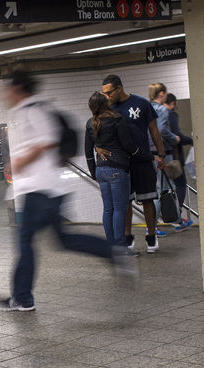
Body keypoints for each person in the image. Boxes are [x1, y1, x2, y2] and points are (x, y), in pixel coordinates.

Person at [0, 70, 132, 312]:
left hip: (37, 191)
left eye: (9, 89)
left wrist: (21, 162)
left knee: (25, 242)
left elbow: (46, 141)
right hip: (48, 189)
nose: (6, 94)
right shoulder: (33, 110)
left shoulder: (31, 111)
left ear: (18, 89)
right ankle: (113, 252)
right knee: (63, 240)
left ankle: (23, 298)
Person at [101, 74, 167, 254]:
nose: (107, 96)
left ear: (119, 88)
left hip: (143, 159)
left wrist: (161, 154)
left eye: (109, 92)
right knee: (125, 202)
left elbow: (154, 130)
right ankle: (128, 236)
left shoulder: (141, 104)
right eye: (104, 93)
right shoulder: (107, 109)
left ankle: (151, 236)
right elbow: (98, 131)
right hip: (121, 163)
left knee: (147, 199)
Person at [84, 91, 150, 248]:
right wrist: (145, 155)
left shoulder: (90, 123)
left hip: (101, 170)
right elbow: (128, 145)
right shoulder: (116, 120)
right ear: (105, 104)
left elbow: (88, 151)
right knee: (120, 209)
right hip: (117, 169)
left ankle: (111, 247)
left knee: (108, 209)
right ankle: (121, 247)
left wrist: (94, 172)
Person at [148, 82, 181, 233]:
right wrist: (174, 138)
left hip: (148, 155)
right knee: (164, 189)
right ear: (161, 93)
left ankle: (177, 220)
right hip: (161, 153)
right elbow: (161, 130)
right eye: (165, 93)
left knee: (158, 188)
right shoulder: (162, 109)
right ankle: (153, 228)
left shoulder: (145, 108)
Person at [165, 93, 195, 232]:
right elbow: (177, 136)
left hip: (160, 158)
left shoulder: (156, 115)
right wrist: (191, 141)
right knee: (181, 185)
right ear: (173, 103)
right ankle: (176, 218)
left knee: (164, 190)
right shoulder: (171, 115)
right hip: (174, 158)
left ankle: (156, 224)